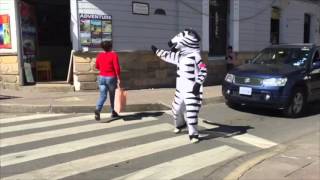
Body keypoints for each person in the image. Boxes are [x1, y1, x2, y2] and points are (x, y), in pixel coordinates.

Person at [151, 29, 207, 143]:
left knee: (191, 112)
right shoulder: (180, 56)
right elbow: (169, 55)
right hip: (180, 89)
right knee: (175, 109)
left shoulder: (195, 56)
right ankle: (181, 124)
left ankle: (193, 134)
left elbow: (203, 69)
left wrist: (198, 83)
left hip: (191, 89)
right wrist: (157, 51)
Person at [94, 40, 121, 121]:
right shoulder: (113, 55)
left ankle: (98, 110)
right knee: (113, 95)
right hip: (111, 77)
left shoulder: (100, 55)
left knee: (103, 95)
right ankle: (113, 112)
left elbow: (97, 66)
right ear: (110, 47)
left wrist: (103, 69)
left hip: (102, 77)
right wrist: (119, 77)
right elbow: (117, 67)